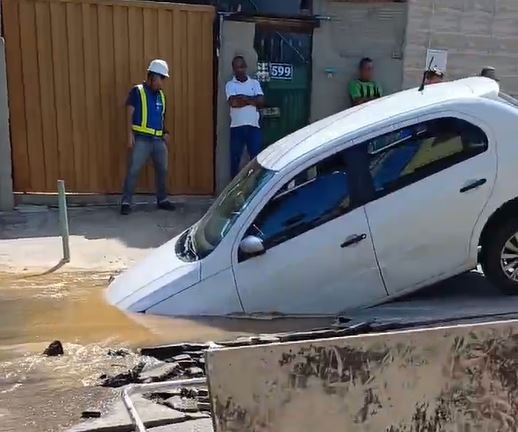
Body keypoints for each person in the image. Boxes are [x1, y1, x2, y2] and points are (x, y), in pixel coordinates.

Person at [120, 59, 175, 216]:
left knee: (162, 171)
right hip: (142, 139)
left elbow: (160, 117)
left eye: (163, 79)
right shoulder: (137, 91)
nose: (162, 82)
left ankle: (162, 200)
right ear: (151, 76)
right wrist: (129, 133)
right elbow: (129, 112)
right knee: (133, 170)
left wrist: (165, 132)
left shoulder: (161, 96)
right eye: (161, 78)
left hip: (158, 140)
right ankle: (126, 202)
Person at [225, 56, 265, 178]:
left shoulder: (254, 83)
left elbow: (261, 102)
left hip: (253, 127)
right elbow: (233, 103)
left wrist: (243, 98)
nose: (240, 70)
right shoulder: (230, 84)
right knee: (235, 159)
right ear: (233, 69)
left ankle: (256, 187)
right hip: (237, 127)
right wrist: (252, 100)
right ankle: (232, 190)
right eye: (237, 67)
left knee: (256, 159)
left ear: (245, 67)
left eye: (242, 66)